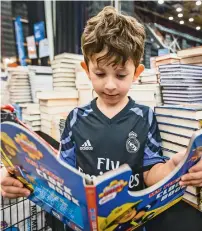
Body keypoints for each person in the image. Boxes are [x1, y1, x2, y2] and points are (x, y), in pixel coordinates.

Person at [1, 6, 202, 231]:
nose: (109, 84)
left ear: (136, 73)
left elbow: (149, 173)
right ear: (87, 70)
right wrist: (19, 175)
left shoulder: (145, 118)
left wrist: (174, 167)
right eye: (100, 74)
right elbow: (60, 175)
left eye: (120, 75)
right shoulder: (75, 118)